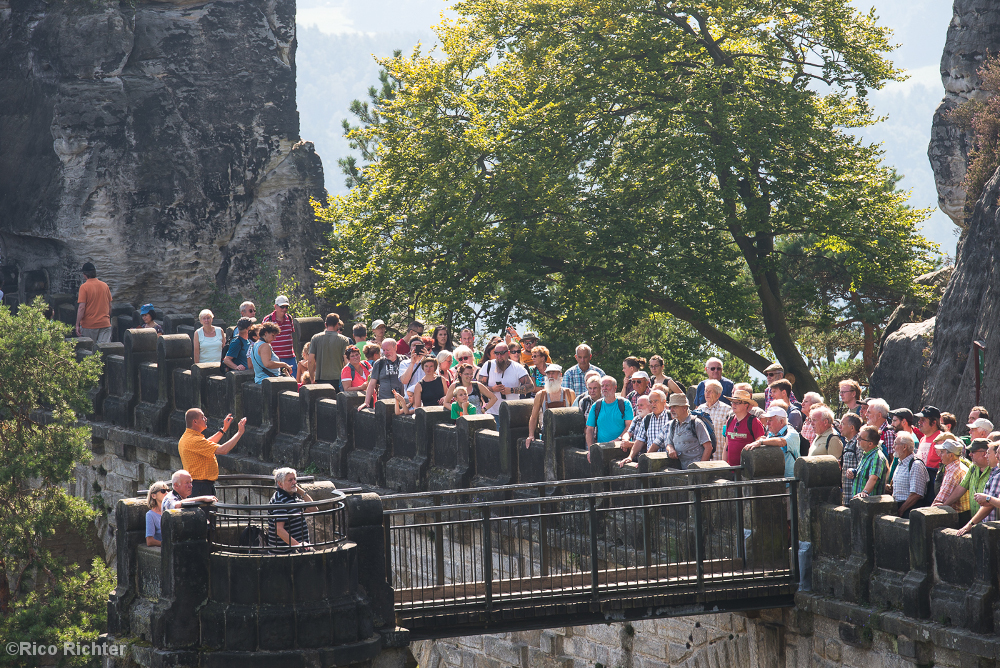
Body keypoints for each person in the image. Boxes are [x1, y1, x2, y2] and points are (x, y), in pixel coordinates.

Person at [177, 409, 247, 497]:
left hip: (199, 486)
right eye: (202, 417)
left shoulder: (188, 437)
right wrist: (239, 433)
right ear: (195, 421)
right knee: (205, 511)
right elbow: (223, 450)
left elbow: (207, 444)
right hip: (200, 488)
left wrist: (223, 429)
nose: (206, 419)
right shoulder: (194, 440)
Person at [525, 365, 576, 449]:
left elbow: (574, 416)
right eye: (548, 374)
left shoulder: (569, 393)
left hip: (566, 434)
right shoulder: (541, 395)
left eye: (553, 373)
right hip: (547, 434)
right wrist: (531, 435)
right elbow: (533, 417)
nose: (550, 376)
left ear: (560, 375)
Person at [585, 376, 634, 460]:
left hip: (622, 449)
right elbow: (589, 429)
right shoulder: (596, 406)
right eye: (602, 386)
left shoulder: (624, 404)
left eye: (607, 385)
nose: (604, 388)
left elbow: (629, 426)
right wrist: (590, 449)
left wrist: (618, 439)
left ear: (615, 388)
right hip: (602, 450)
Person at [957, 441, 1000, 536]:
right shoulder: (977, 468)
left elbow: (990, 505)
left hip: (992, 530)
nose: (997, 456)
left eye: (989, 453)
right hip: (987, 527)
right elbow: (961, 487)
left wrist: (970, 524)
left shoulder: (997, 475)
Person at [268, 468, 317, 552]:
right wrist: (298, 545)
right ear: (280, 484)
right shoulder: (280, 500)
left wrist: (301, 492)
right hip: (286, 552)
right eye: (290, 480)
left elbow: (314, 509)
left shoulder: (292, 497)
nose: (294, 482)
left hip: (299, 548)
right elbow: (279, 529)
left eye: (294, 479)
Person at [941, 439, 993, 517]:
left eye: (973, 452)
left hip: (991, 521)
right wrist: (945, 505)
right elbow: (961, 488)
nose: (970, 454)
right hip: (974, 519)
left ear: (984, 453)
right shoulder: (973, 467)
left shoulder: (995, 470)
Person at [744, 406, 800, 478]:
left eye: (770, 420)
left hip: (791, 483)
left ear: (781, 421)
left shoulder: (792, 433)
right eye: (767, 420)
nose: (767, 423)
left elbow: (782, 441)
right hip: (776, 482)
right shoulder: (771, 433)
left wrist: (761, 442)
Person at [619, 390, 670, 467]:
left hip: (669, 461)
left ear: (664, 402)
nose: (653, 404)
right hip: (651, 461)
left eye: (656, 401)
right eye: (651, 402)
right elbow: (639, 441)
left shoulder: (671, 417)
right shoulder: (647, 419)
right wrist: (630, 457)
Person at [478, 342, 530, 417]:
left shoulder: (517, 367)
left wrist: (511, 390)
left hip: (512, 412)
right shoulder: (488, 365)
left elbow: (530, 386)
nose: (499, 356)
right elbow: (478, 387)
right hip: (492, 412)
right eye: (496, 353)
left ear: (508, 353)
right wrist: (492, 388)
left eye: (502, 353)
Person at [890, 432, 929, 518]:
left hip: (909, 510)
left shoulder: (916, 465)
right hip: (900, 506)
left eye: (895, 444)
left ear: (904, 447)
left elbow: (916, 494)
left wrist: (901, 510)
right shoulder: (900, 463)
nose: (893, 447)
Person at [931, 437, 971, 521]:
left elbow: (941, 499)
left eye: (942, 452)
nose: (940, 455)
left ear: (951, 455)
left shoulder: (953, 471)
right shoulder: (957, 467)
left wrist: (929, 510)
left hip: (957, 516)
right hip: (962, 513)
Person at [310, 313, 352, 390]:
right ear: (337, 324)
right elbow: (346, 361)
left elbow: (310, 360)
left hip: (320, 378)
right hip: (338, 378)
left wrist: (312, 378)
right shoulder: (344, 340)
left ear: (325, 324)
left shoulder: (315, 338)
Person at [724, 389, 765, 467]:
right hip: (731, 469)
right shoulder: (730, 420)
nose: (734, 405)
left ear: (746, 405)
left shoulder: (754, 422)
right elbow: (726, 445)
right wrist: (724, 466)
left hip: (747, 470)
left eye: (737, 402)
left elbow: (760, 444)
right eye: (733, 402)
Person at [360, 339, 404, 410]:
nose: (386, 353)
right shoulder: (379, 363)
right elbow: (372, 384)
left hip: (402, 403)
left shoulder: (404, 360)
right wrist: (366, 402)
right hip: (384, 403)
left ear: (395, 348)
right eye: (384, 350)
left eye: (388, 350)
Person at [697, 379, 733, 462]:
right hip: (702, 457)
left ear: (718, 395)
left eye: (710, 391)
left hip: (720, 456)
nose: (707, 393)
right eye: (706, 391)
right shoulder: (699, 409)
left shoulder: (727, 410)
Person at [75, 262, 113, 342]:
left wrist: (77, 324)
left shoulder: (84, 287)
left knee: (89, 351)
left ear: (85, 274)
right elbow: (109, 305)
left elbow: (82, 307)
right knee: (103, 350)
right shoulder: (105, 285)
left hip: (89, 325)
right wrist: (106, 318)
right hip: (104, 324)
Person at [849, 425, 889, 500]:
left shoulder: (876, 457)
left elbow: (873, 478)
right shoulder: (866, 454)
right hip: (860, 502)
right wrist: (853, 472)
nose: (857, 439)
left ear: (870, 443)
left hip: (869, 504)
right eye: (858, 436)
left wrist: (864, 492)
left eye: (861, 438)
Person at [263, 296, 298, 377]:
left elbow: (291, 335)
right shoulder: (268, 319)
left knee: (294, 381)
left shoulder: (289, 318)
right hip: (275, 359)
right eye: (282, 307)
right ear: (275, 306)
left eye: (286, 307)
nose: (284, 309)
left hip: (289, 357)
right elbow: (263, 339)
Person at [914, 406, 943, 506]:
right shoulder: (923, 438)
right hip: (922, 485)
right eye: (919, 419)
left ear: (934, 423)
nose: (919, 422)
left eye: (923, 420)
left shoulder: (941, 439)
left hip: (934, 487)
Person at [839, 414, 863, 505]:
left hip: (855, 496)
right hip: (847, 495)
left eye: (843, 424)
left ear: (852, 428)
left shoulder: (858, 443)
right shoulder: (848, 443)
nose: (840, 426)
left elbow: (863, 466)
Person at [145, 481, 170, 547]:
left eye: (168, 490)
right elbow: (149, 541)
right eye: (163, 491)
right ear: (153, 495)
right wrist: (167, 545)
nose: (167, 493)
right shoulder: (150, 515)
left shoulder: (170, 510)